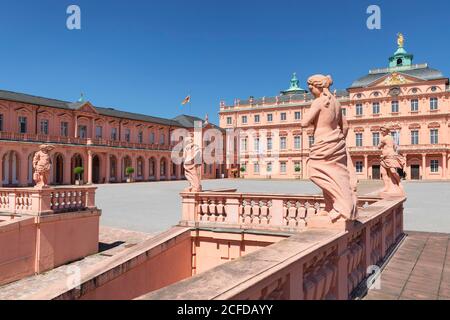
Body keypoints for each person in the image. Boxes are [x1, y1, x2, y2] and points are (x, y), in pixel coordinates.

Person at [300, 74, 357, 221]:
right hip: (335, 142)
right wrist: (338, 140)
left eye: (311, 88)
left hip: (323, 143)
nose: (310, 91)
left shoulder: (319, 102)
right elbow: (346, 126)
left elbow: (304, 123)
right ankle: (330, 207)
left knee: (315, 172)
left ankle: (340, 206)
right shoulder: (337, 103)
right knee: (333, 174)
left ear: (317, 86)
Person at [378, 126, 406, 197]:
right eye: (381, 131)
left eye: (383, 131)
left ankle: (399, 182)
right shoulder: (390, 138)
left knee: (392, 171)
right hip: (384, 157)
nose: (382, 132)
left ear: (387, 131)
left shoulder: (385, 138)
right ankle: (387, 187)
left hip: (389, 156)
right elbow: (395, 147)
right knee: (383, 172)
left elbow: (378, 146)